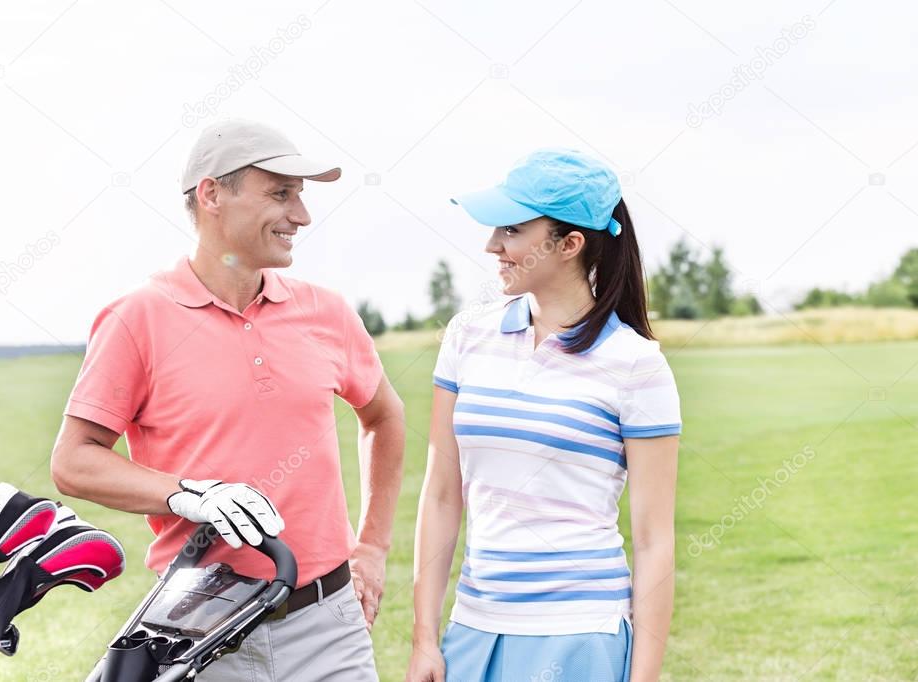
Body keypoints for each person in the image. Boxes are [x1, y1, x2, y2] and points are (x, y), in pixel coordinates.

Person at [51, 119, 406, 681]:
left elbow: (384, 415)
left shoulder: (326, 313)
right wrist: (190, 494)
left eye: (300, 197)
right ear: (213, 193)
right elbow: (74, 461)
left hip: (329, 625)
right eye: (280, 194)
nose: (302, 216)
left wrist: (373, 548)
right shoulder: (137, 319)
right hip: (202, 626)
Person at [407, 149, 681, 681]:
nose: (492, 246)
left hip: (579, 636)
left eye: (511, 230)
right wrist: (424, 637)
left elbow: (654, 539)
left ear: (571, 243)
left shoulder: (636, 365)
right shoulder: (467, 336)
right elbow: (442, 493)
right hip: (474, 629)